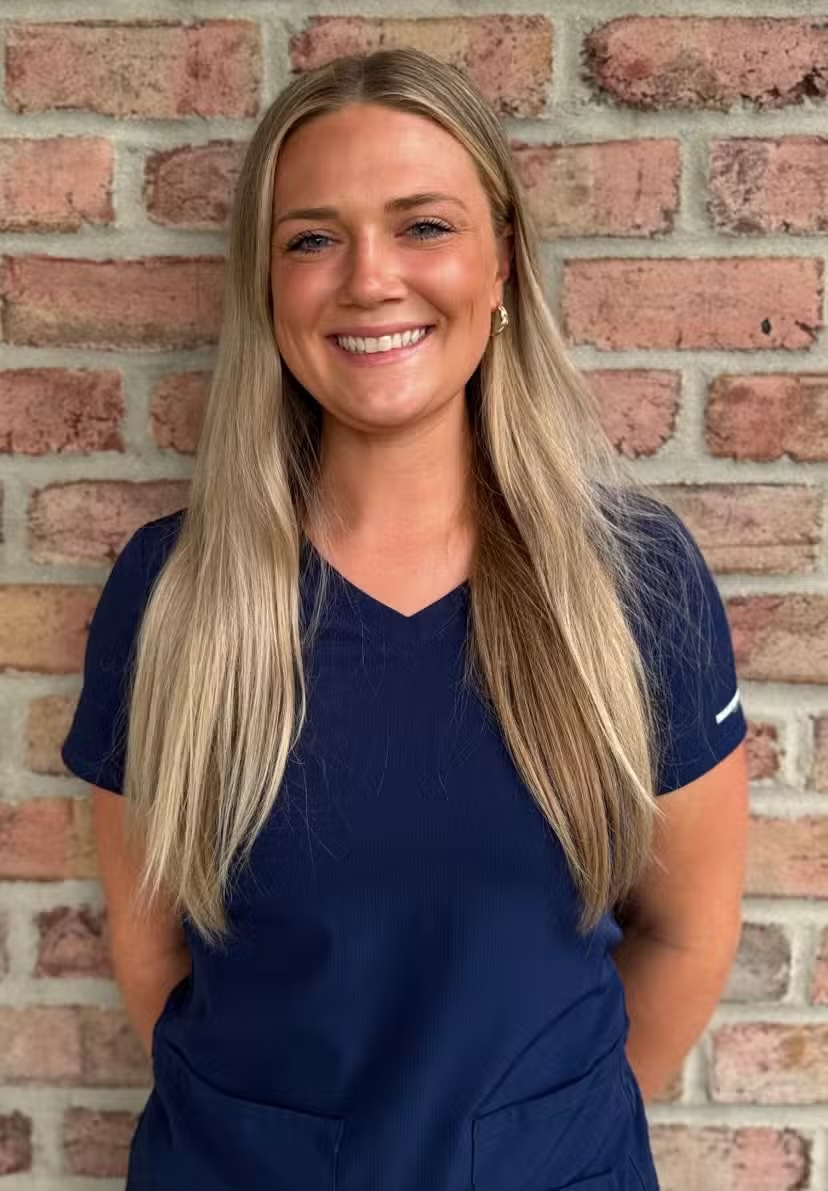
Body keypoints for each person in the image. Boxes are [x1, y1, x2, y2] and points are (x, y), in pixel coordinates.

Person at [61, 47, 750, 1191]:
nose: (370, 278)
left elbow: (684, 937)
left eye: (424, 226)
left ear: (504, 265)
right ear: (266, 284)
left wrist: (524, 1145)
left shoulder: (636, 585)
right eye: (313, 238)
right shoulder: (172, 593)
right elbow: (152, 954)